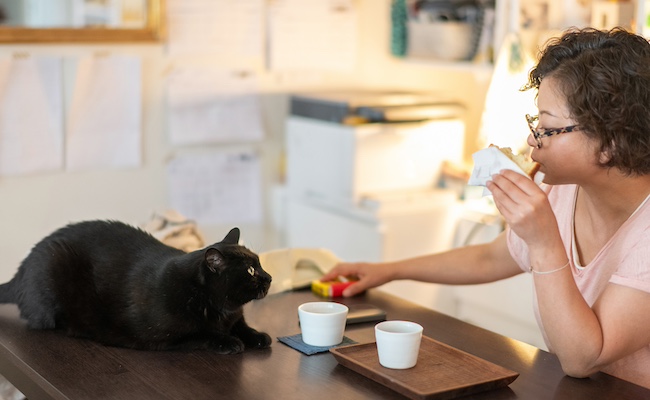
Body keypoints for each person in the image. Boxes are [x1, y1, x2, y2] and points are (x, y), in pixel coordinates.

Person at [321, 27, 650, 389]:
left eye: (547, 128)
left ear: (611, 145)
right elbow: (492, 258)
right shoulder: (567, 189)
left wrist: (544, 242)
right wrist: (386, 270)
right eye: (535, 123)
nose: (531, 139)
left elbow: (581, 359)